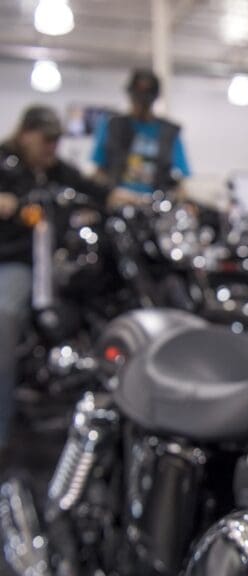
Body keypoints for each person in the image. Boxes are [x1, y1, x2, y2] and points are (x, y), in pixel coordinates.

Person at [0, 105, 110, 458]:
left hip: (55, 266)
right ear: (25, 134)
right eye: (46, 140)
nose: (51, 147)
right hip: (14, 262)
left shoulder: (58, 171)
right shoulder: (4, 162)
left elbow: (97, 190)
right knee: (3, 318)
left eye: (56, 140)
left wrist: (135, 200)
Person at [91, 68, 191, 197]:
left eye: (146, 100)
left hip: (154, 205)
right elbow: (98, 171)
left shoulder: (169, 132)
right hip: (116, 203)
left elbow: (182, 177)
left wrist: (180, 195)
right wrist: (110, 193)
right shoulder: (113, 126)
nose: (141, 105)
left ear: (154, 99)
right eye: (137, 98)